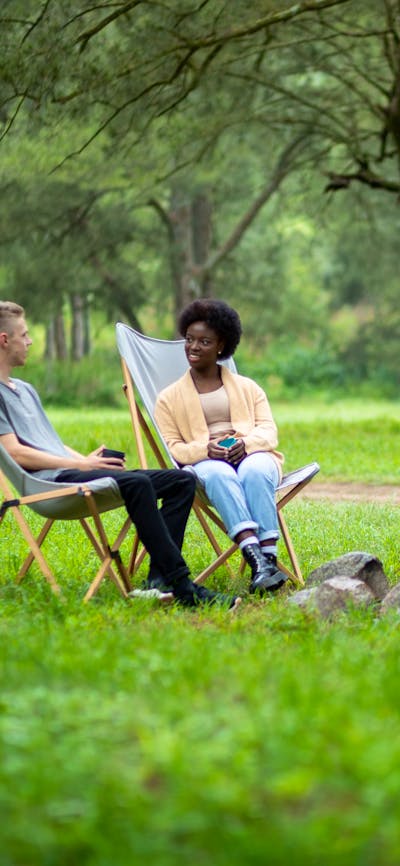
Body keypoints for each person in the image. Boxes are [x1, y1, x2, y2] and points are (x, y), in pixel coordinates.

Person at [0, 301, 240, 610]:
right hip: (49, 485)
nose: (30, 341)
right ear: (4, 340)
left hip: (69, 470)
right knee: (137, 483)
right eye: (24, 334)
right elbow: (14, 452)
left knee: (181, 480)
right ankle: (183, 586)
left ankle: (157, 582)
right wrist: (82, 464)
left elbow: (50, 445)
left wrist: (87, 459)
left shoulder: (25, 388)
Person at [155, 298, 288, 595]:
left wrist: (246, 443)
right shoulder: (168, 398)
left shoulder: (249, 388)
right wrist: (206, 448)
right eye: (189, 340)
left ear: (221, 345)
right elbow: (174, 448)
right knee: (217, 473)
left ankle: (268, 558)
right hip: (207, 462)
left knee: (254, 470)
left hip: (252, 454)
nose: (193, 347)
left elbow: (268, 431)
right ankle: (258, 561)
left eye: (204, 341)